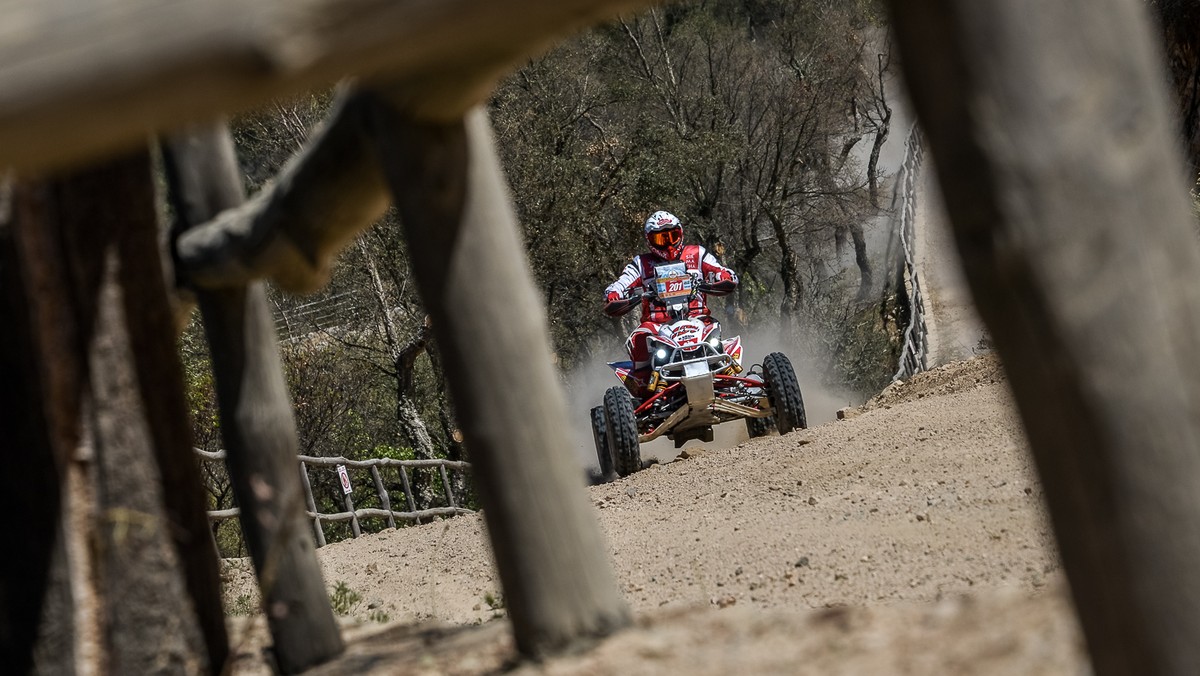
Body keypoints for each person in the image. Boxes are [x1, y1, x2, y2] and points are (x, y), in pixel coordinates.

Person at [604, 210, 738, 396]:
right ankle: (646, 393)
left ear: (680, 233)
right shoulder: (641, 264)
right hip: (658, 327)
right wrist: (613, 296)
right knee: (638, 339)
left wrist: (724, 276)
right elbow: (620, 285)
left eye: (672, 235)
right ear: (650, 240)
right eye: (661, 238)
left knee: (715, 330)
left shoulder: (697, 254)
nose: (667, 242)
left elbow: (721, 270)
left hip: (697, 319)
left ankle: (729, 380)